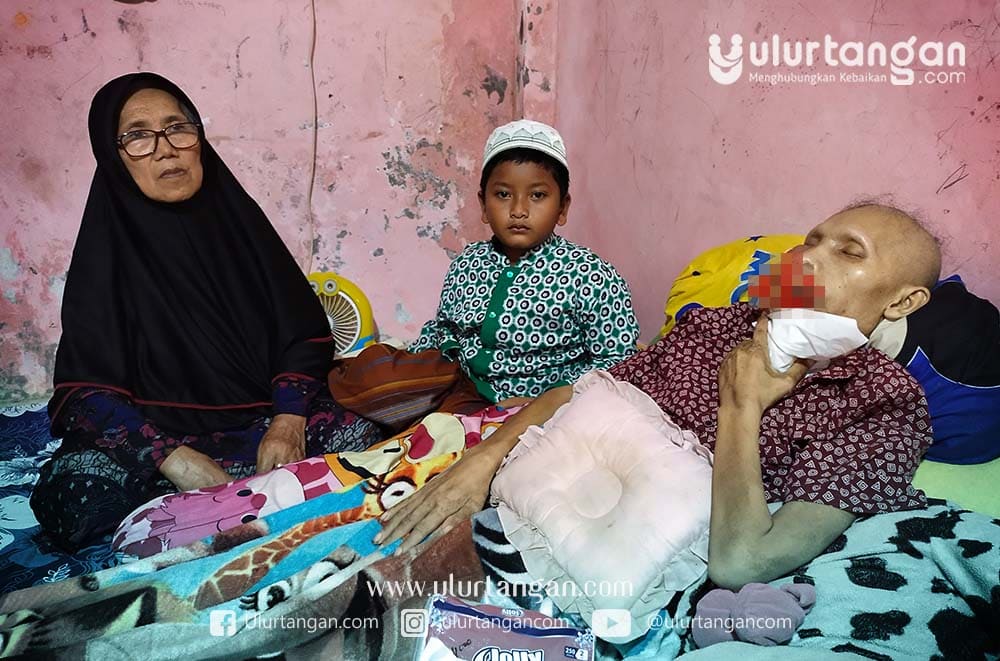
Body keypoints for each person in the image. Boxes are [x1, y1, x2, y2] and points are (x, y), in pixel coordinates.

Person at [377, 202, 941, 590]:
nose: (809, 257)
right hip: (538, 488)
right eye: (812, 240)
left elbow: (742, 562)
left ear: (902, 302)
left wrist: (742, 405)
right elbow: (582, 388)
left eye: (850, 252)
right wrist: (480, 464)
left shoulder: (884, 403)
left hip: (619, 559)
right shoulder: (716, 326)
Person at [30, 73, 382, 551]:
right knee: (71, 497)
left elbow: (303, 338)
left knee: (371, 433)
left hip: (261, 425)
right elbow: (86, 394)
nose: (165, 148)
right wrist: (169, 457)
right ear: (113, 156)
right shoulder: (103, 255)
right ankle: (260, 496)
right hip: (154, 435)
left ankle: (220, 503)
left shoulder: (242, 228)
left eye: (178, 127)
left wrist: (288, 421)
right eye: (138, 135)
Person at [407, 119, 640, 403]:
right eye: (503, 195)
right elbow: (442, 330)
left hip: (546, 411)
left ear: (562, 208)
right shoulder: (467, 263)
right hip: (460, 394)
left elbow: (618, 362)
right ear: (483, 205)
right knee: (368, 377)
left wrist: (547, 402)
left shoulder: (591, 275)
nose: (518, 210)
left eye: (538, 196)